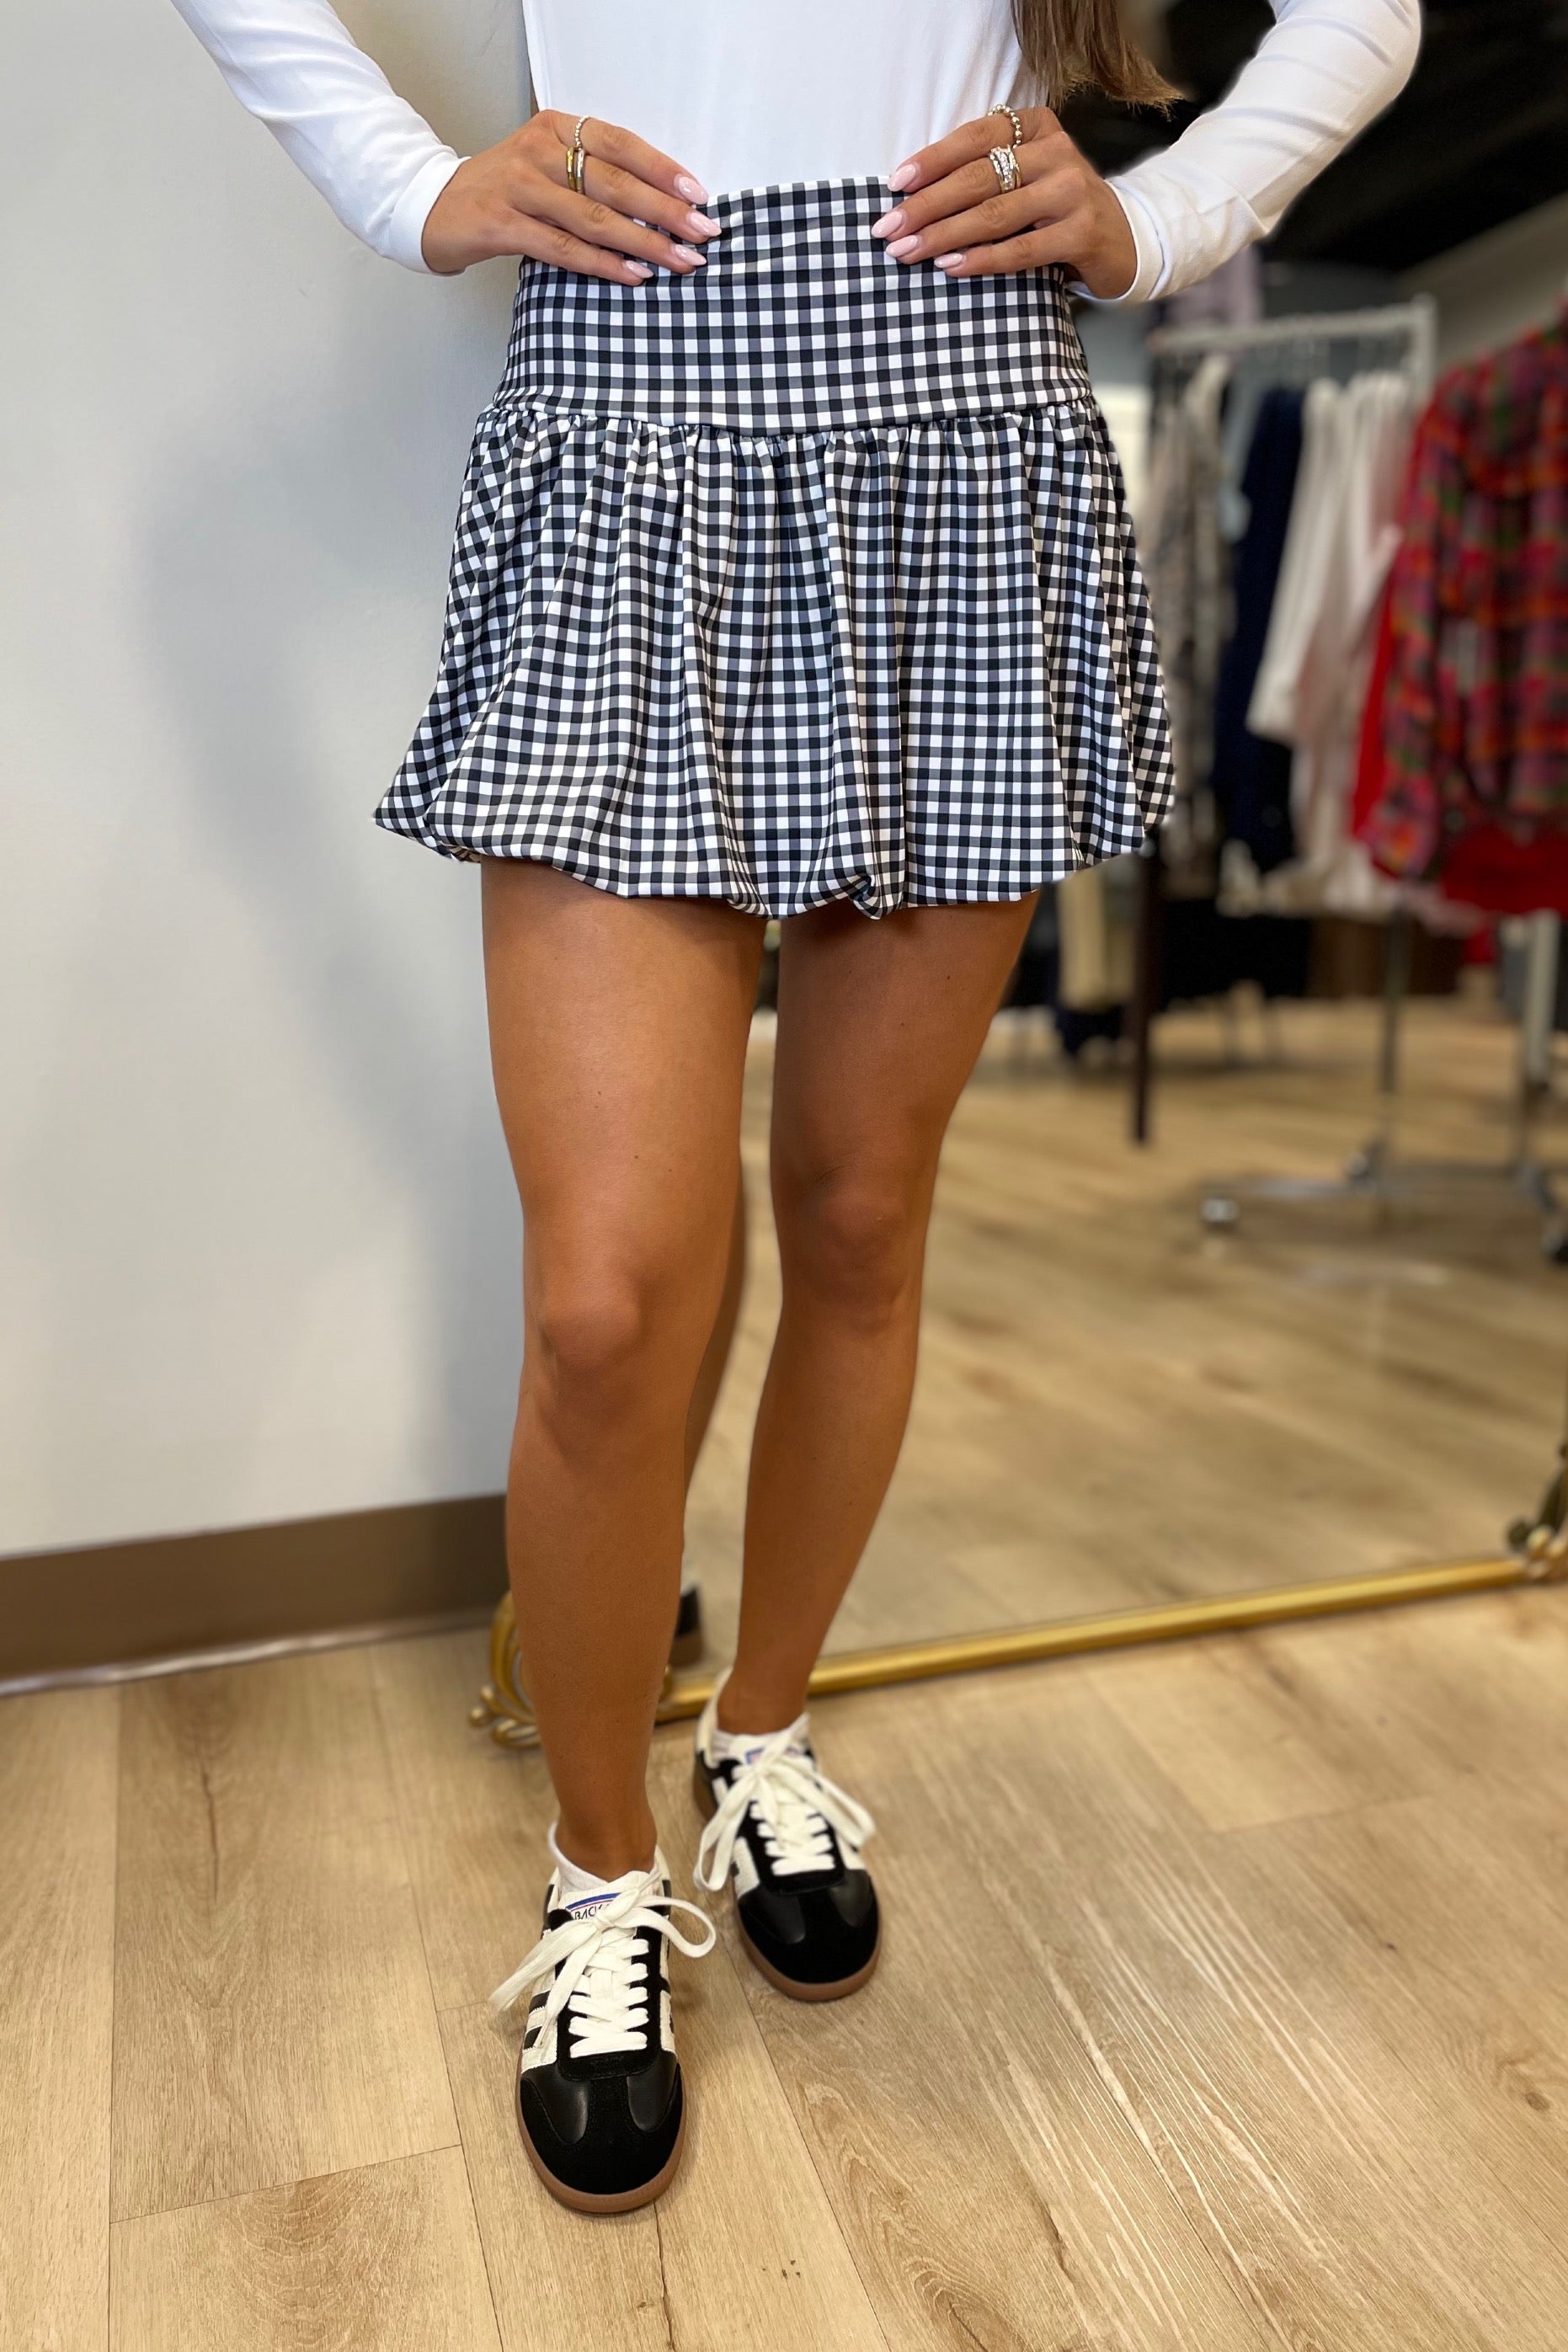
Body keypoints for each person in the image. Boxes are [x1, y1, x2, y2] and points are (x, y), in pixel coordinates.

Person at [170, 0, 1421, 2214]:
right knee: (604, 1304)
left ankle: (760, 1732)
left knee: (855, 1213)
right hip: (628, 423)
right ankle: (597, 1874)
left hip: (963, 444)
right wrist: (406, 181)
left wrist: (1166, 219)